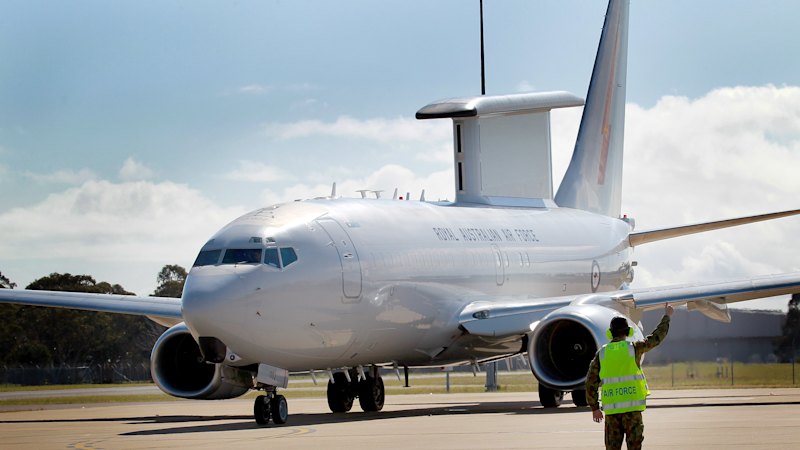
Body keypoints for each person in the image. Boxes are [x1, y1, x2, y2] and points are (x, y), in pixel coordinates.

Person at [585, 303, 673, 450]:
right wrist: (667, 316)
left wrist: (595, 408)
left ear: (609, 333)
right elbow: (656, 337)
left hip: (612, 412)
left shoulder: (602, 353)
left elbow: (590, 381)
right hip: (633, 410)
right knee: (634, 446)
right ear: (628, 331)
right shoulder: (634, 348)